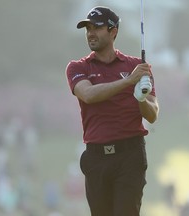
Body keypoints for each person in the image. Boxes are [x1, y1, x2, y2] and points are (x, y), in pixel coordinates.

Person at [65, 6, 159, 216]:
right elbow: (88, 95)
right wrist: (128, 81)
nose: (90, 33)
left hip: (130, 156)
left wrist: (141, 98)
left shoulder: (137, 66)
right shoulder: (78, 68)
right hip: (96, 158)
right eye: (87, 28)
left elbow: (152, 114)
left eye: (96, 28)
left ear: (113, 31)